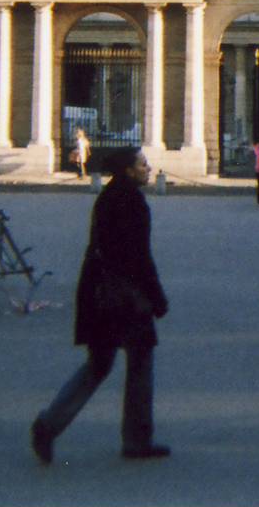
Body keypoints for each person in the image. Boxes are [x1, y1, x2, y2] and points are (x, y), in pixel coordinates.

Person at [31, 148, 171, 464]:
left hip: (99, 291)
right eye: (142, 164)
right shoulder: (132, 202)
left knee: (99, 364)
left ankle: (48, 425)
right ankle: (136, 439)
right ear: (128, 170)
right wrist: (157, 297)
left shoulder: (109, 196)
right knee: (140, 361)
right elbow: (139, 257)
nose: (148, 168)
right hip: (124, 296)